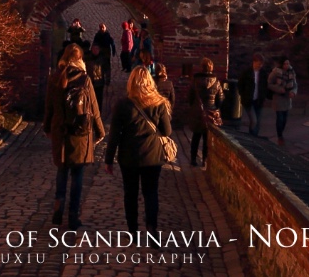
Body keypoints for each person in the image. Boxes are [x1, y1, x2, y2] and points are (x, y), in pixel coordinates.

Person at [104, 66, 173, 238]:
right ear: (150, 81)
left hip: (129, 156)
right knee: (151, 192)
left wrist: (109, 159)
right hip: (152, 156)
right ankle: (151, 227)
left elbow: (114, 135)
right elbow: (166, 131)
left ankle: (133, 229)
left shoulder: (122, 105)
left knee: (131, 193)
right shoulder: (159, 103)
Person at [44, 44, 105, 228]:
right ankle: (72, 216)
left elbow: (49, 107)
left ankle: (57, 209)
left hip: (60, 132)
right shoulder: (84, 79)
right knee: (78, 175)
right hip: (80, 133)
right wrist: (100, 131)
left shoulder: (54, 78)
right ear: (80, 60)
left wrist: (47, 127)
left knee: (62, 171)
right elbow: (94, 108)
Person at [183, 58, 225, 167]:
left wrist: (193, 107)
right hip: (211, 112)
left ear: (202, 67)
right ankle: (205, 160)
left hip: (198, 112)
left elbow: (190, 96)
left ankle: (193, 159)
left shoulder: (195, 80)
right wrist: (215, 108)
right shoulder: (216, 81)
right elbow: (220, 98)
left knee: (196, 137)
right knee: (207, 138)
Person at [268, 56, 299, 144]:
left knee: (285, 118)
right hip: (278, 98)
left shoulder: (291, 72)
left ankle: (281, 133)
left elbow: (295, 84)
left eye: (288, 63)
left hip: (287, 98)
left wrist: (293, 92)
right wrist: (278, 89)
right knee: (280, 118)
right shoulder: (276, 72)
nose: (286, 65)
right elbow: (269, 84)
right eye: (285, 64)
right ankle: (280, 136)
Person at [239, 55, 269, 135]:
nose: (260, 66)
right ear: (254, 62)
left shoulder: (263, 73)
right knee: (254, 120)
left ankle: (255, 137)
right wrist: (244, 95)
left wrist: (264, 97)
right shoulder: (247, 72)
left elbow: (265, 86)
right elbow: (240, 85)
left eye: (261, 64)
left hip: (258, 100)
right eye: (259, 63)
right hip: (248, 100)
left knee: (258, 121)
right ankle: (251, 135)